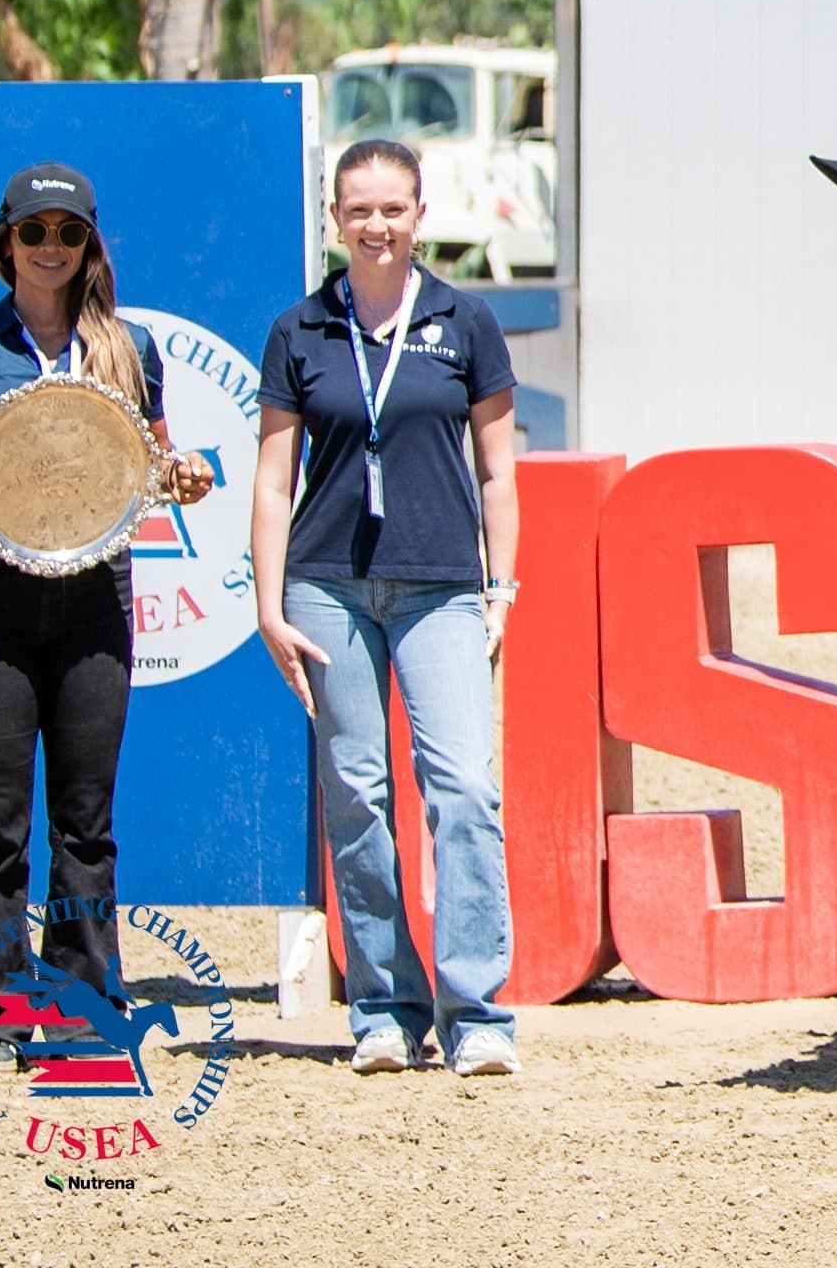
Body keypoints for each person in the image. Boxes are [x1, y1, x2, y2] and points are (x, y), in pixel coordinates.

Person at [0, 165, 211, 1039]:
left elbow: (153, 465)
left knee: (85, 820)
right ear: (7, 243)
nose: (51, 247)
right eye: (34, 231)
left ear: (89, 245)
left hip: (93, 597)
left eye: (68, 232)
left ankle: (78, 1018)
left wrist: (184, 477)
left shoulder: (127, 348)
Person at [250, 138, 523, 1078]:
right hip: (326, 587)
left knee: (464, 789)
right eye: (358, 210)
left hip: (442, 586)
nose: (376, 226)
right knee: (357, 795)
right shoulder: (299, 330)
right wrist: (268, 603)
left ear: (419, 215)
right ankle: (384, 1008)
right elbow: (272, 478)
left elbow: (498, 472)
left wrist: (502, 588)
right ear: (335, 219)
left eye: (392, 209)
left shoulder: (465, 321)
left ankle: (477, 1014)